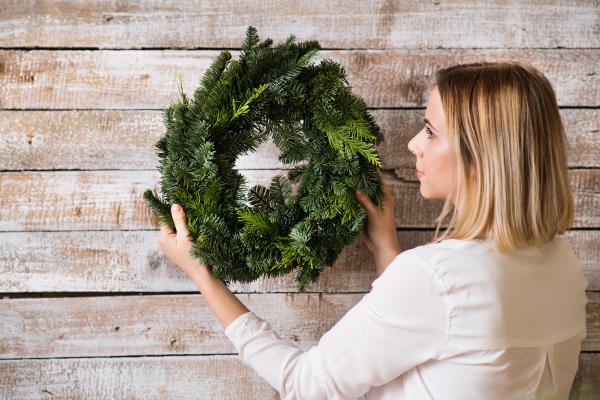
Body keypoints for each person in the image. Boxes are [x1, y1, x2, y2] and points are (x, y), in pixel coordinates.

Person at [155, 62, 589, 399]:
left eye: (431, 132)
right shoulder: (563, 265)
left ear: (480, 157)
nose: (413, 143)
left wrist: (202, 275)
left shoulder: (435, 277)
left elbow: (305, 384)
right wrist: (386, 249)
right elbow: (451, 353)